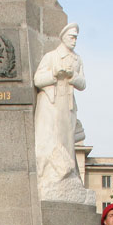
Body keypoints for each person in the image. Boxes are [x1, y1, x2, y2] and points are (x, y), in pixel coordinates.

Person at [33, 22, 86, 186]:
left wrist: (72, 76)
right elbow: (38, 80)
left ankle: (64, 175)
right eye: (72, 37)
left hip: (68, 106)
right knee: (50, 140)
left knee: (67, 142)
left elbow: (83, 84)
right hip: (51, 105)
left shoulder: (77, 60)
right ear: (63, 38)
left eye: (76, 38)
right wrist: (54, 74)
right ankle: (51, 174)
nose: (74, 41)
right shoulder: (51, 57)